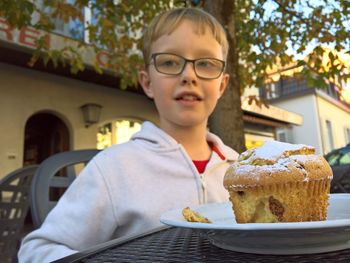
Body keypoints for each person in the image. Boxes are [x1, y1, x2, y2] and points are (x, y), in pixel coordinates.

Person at [18, 7, 238, 262]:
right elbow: (37, 249)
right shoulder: (114, 169)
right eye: (169, 62)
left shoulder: (241, 170)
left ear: (222, 85)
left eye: (206, 64)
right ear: (147, 82)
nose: (188, 75)